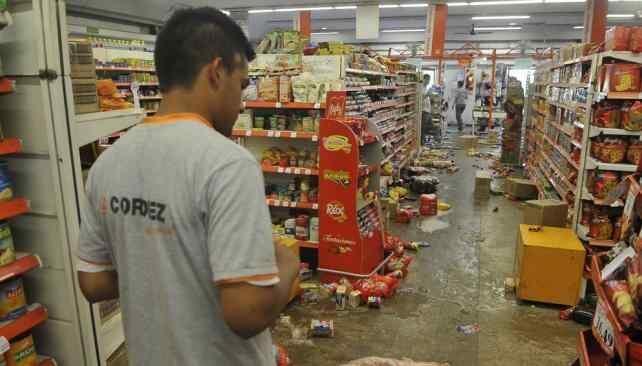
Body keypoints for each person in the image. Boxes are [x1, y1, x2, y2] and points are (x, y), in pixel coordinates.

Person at [76, 7, 300, 366]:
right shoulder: (227, 163)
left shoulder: (108, 162)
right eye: (241, 85)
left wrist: (156, 260)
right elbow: (246, 314)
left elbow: (93, 283)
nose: (241, 102)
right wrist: (289, 266)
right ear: (215, 72)